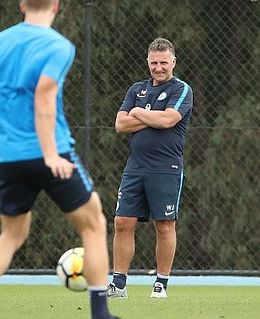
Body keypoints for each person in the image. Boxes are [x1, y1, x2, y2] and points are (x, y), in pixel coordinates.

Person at [0, 1, 118, 319]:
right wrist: (49, 154)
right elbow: (44, 97)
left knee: (11, 234)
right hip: (52, 152)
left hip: (10, 158)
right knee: (94, 225)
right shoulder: (58, 46)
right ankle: (100, 313)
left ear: (22, 5)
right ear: (57, 6)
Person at [107, 38, 193, 299]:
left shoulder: (182, 90)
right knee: (122, 222)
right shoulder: (137, 89)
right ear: (148, 62)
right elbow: (120, 125)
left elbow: (168, 120)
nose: (158, 67)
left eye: (163, 62)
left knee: (165, 224)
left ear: (173, 62)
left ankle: (161, 283)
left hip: (166, 167)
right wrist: (150, 117)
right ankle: (119, 283)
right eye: (154, 62)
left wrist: (137, 113)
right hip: (135, 167)